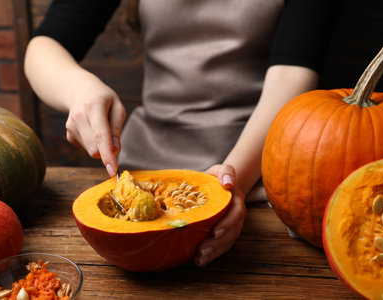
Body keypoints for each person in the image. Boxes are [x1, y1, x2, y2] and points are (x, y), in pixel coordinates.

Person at [24, 0, 342, 267]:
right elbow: (45, 46)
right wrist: (79, 90)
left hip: (255, 176)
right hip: (139, 163)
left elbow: (292, 75)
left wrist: (233, 180)